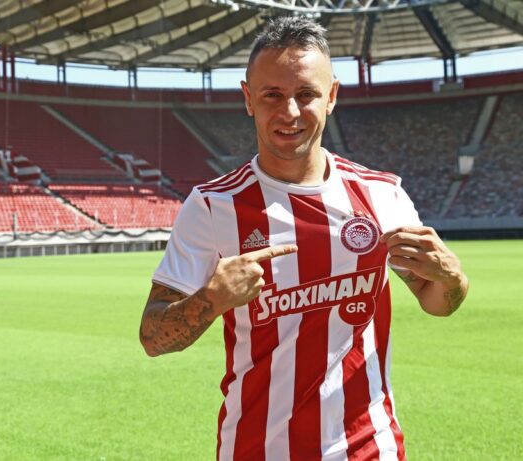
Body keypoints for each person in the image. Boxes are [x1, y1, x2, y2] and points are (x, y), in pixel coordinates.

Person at [139, 16, 469, 461]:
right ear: (248, 99)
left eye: (306, 94)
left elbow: (437, 301)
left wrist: (453, 279)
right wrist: (211, 299)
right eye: (272, 95)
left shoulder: (381, 194)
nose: (290, 112)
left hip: (368, 447)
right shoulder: (213, 207)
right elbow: (153, 337)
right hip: (258, 449)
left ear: (331, 96)